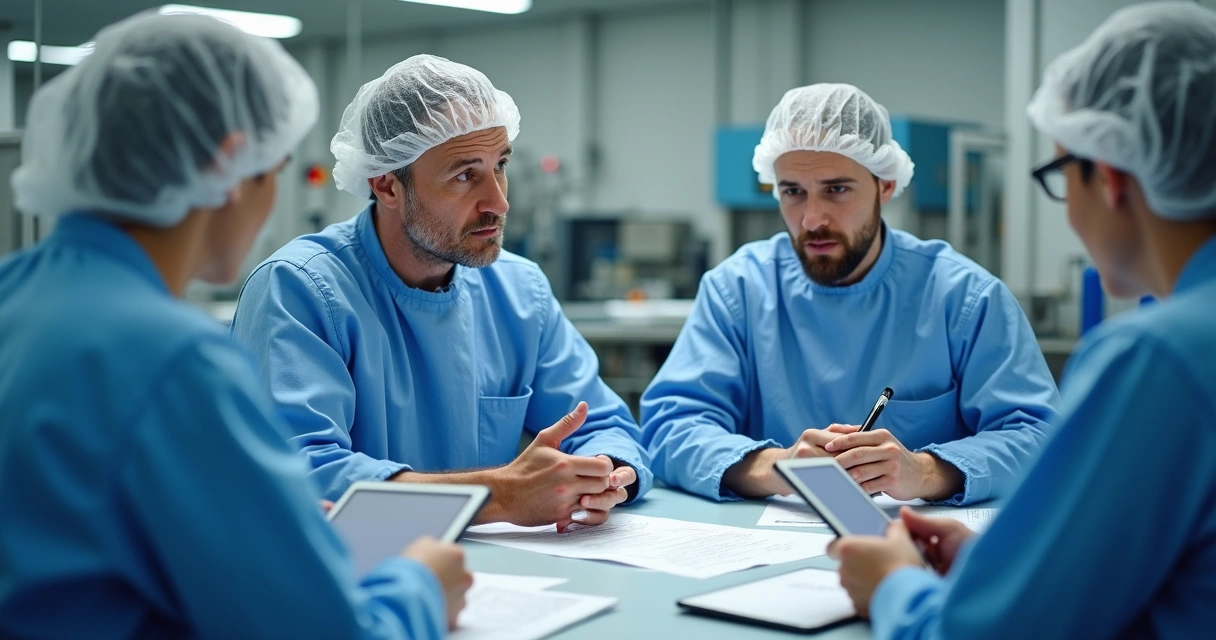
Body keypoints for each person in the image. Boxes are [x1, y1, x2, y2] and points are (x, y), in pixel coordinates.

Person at [0, 14, 469, 638]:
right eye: (273, 170)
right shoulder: (170, 361)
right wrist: (420, 584)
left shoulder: (18, 294)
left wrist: (271, 525)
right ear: (228, 168)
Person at [830, 3, 1216, 637]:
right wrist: (1000, 566)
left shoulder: (1158, 360)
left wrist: (894, 586)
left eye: (1060, 175)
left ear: (1112, 179)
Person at [230, 55, 651, 532]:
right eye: (464, 175)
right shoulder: (301, 289)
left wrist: (607, 474)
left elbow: (603, 424)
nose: (499, 201)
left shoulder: (519, 290)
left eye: (501, 166)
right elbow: (301, 474)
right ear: (386, 184)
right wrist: (501, 494)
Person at [640, 83, 1059, 504]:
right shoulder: (737, 291)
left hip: (916, 546)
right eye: (793, 192)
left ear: (886, 185)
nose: (812, 219)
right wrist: (778, 466)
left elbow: (1038, 435)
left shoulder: (964, 298)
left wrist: (926, 471)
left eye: (836, 189)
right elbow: (670, 427)